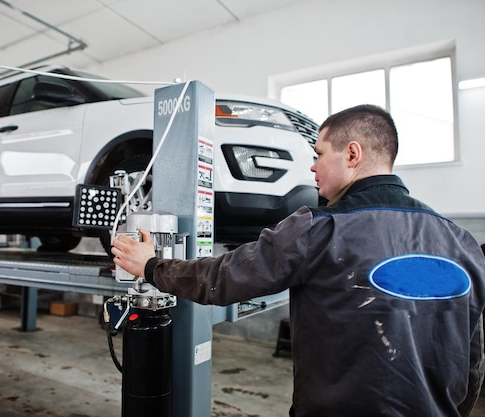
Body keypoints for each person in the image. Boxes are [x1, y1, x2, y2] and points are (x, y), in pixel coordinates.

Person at [111, 104, 485, 417]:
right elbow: (472, 360)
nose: (312, 167)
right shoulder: (461, 241)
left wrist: (151, 265)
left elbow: (221, 278)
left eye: (319, 154)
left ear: (352, 154)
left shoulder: (317, 228)